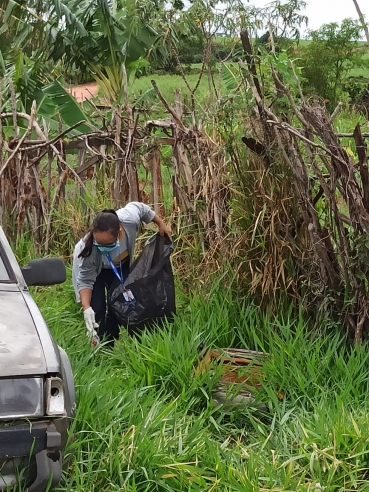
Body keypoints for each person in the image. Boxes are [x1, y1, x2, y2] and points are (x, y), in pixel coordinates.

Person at [72, 202, 172, 347]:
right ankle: (98, 344)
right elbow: (86, 279)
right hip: (97, 271)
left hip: (120, 266)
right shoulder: (88, 249)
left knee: (118, 304)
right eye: (100, 244)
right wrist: (86, 307)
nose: (103, 248)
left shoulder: (129, 220)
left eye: (108, 244)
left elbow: (141, 208)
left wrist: (160, 224)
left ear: (120, 232)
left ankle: (109, 341)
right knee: (97, 308)